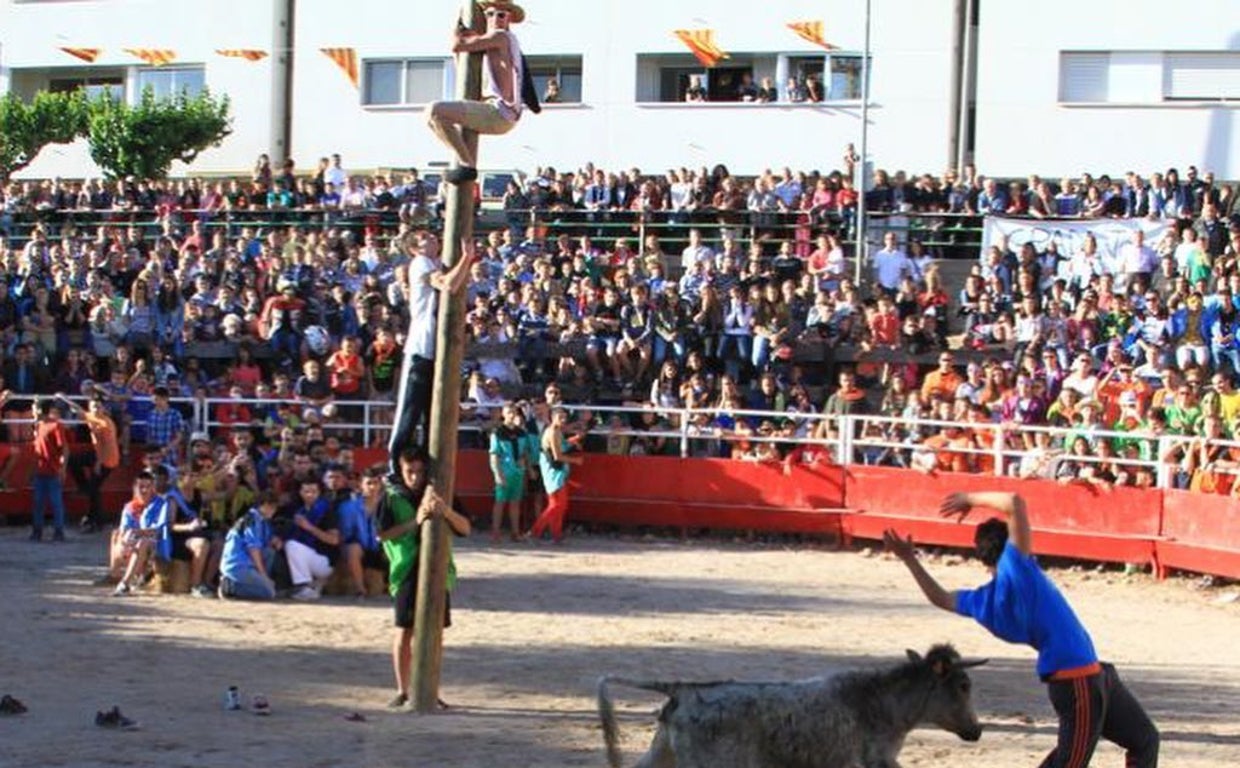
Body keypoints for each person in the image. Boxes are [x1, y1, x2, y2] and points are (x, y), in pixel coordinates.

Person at [883, 491, 1160, 768]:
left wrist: (909, 559)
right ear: (1009, 545)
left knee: (1144, 740)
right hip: (1078, 680)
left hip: (1092, 675)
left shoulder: (983, 601)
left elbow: (940, 598)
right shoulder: (1016, 566)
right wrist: (969, 498)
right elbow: (1014, 503)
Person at [377, 449, 471, 710]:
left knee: (435, 633)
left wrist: (446, 512)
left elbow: (465, 527)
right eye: (410, 472)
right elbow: (382, 535)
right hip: (406, 570)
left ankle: (430, 689)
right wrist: (415, 522)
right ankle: (402, 690)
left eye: (420, 471)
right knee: (404, 631)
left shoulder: (442, 491)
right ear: (401, 469)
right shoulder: (392, 497)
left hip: (438, 570)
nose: (415, 477)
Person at [387, 233, 474, 477]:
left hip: (438, 350)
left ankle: (428, 470)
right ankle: (394, 468)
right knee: (409, 413)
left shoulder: (437, 262)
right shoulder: (421, 263)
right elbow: (448, 284)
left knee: (431, 416)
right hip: (421, 347)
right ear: (414, 248)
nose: (432, 238)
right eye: (423, 238)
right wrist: (467, 258)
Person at [427, 0, 532, 184]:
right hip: (495, 111)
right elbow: (463, 64)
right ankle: (464, 160)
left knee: (434, 111)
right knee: (434, 119)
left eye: (501, 15)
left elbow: (458, 44)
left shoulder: (501, 37)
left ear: (509, 19)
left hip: (499, 112)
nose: (495, 19)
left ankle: (467, 164)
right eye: (490, 14)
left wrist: (458, 26)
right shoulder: (492, 43)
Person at [62, 391, 121, 533]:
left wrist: (98, 463)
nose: (96, 409)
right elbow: (79, 410)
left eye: (99, 407)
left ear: (103, 408)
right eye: (94, 406)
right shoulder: (92, 416)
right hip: (98, 454)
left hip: (108, 459)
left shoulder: (106, 424)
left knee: (94, 490)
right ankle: (83, 488)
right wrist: (64, 398)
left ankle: (95, 521)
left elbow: (105, 446)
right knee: (73, 461)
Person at [528, 407, 583, 543]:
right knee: (556, 505)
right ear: (553, 417)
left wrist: (574, 439)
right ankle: (535, 532)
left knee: (559, 505)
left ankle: (556, 535)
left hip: (557, 471)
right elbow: (557, 456)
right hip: (553, 471)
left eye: (564, 417)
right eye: (560, 417)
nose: (563, 420)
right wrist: (575, 460)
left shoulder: (557, 431)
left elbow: (561, 446)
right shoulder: (552, 432)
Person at [218, 491, 283, 601]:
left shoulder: (263, 521)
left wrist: (274, 540)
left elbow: (265, 543)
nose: (273, 511)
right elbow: (253, 548)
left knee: (269, 552)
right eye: (271, 507)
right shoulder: (252, 520)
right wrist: (263, 574)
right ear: (264, 505)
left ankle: (256, 583)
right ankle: (230, 587)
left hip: (247, 563)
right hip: (238, 564)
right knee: (269, 592)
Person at [30, 397, 70, 542]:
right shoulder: (39, 425)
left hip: (52, 471)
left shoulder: (55, 426)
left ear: (40, 410)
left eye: (34, 408)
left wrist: (62, 468)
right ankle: (39, 531)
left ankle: (55, 531)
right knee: (41, 503)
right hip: (41, 471)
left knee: (54, 503)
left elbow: (64, 449)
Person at [489, 402, 528, 542]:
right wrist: (497, 474)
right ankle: (495, 533)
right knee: (500, 503)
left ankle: (515, 532)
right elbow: (494, 455)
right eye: (509, 412)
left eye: (514, 412)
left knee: (515, 503)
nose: (512, 415)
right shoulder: (498, 433)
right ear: (503, 414)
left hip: (518, 472)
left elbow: (524, 453)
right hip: (505, 472)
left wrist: (525, 467)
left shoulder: (522, 433)